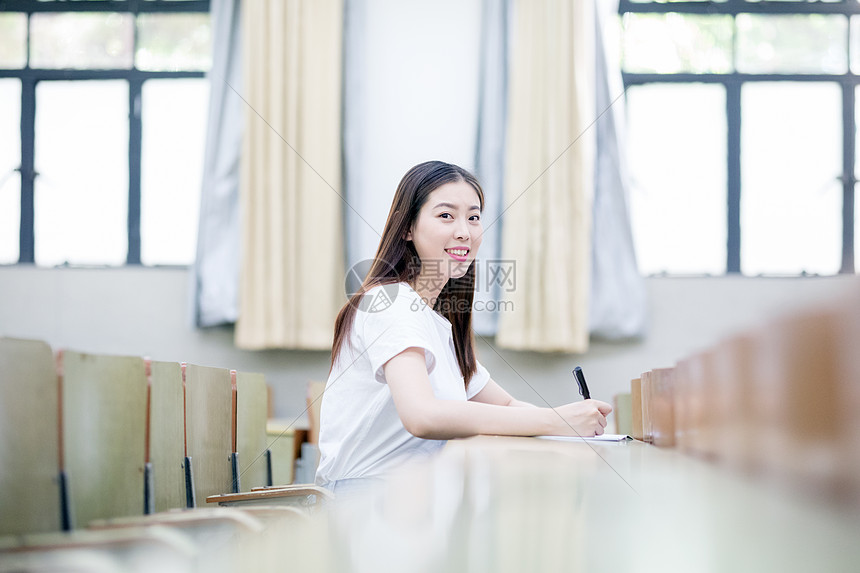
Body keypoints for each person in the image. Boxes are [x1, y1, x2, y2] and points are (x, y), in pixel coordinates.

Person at [315, 161, 611, 493]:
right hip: (367, 498)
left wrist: (568, 423)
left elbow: (508, 406)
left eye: (473, 217)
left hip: (418, 497)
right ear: (407, 228)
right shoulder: (390, 302)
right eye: (446, 216)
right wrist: (556, 420)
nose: (464, 231)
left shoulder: (439, 322)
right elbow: (422, 416)